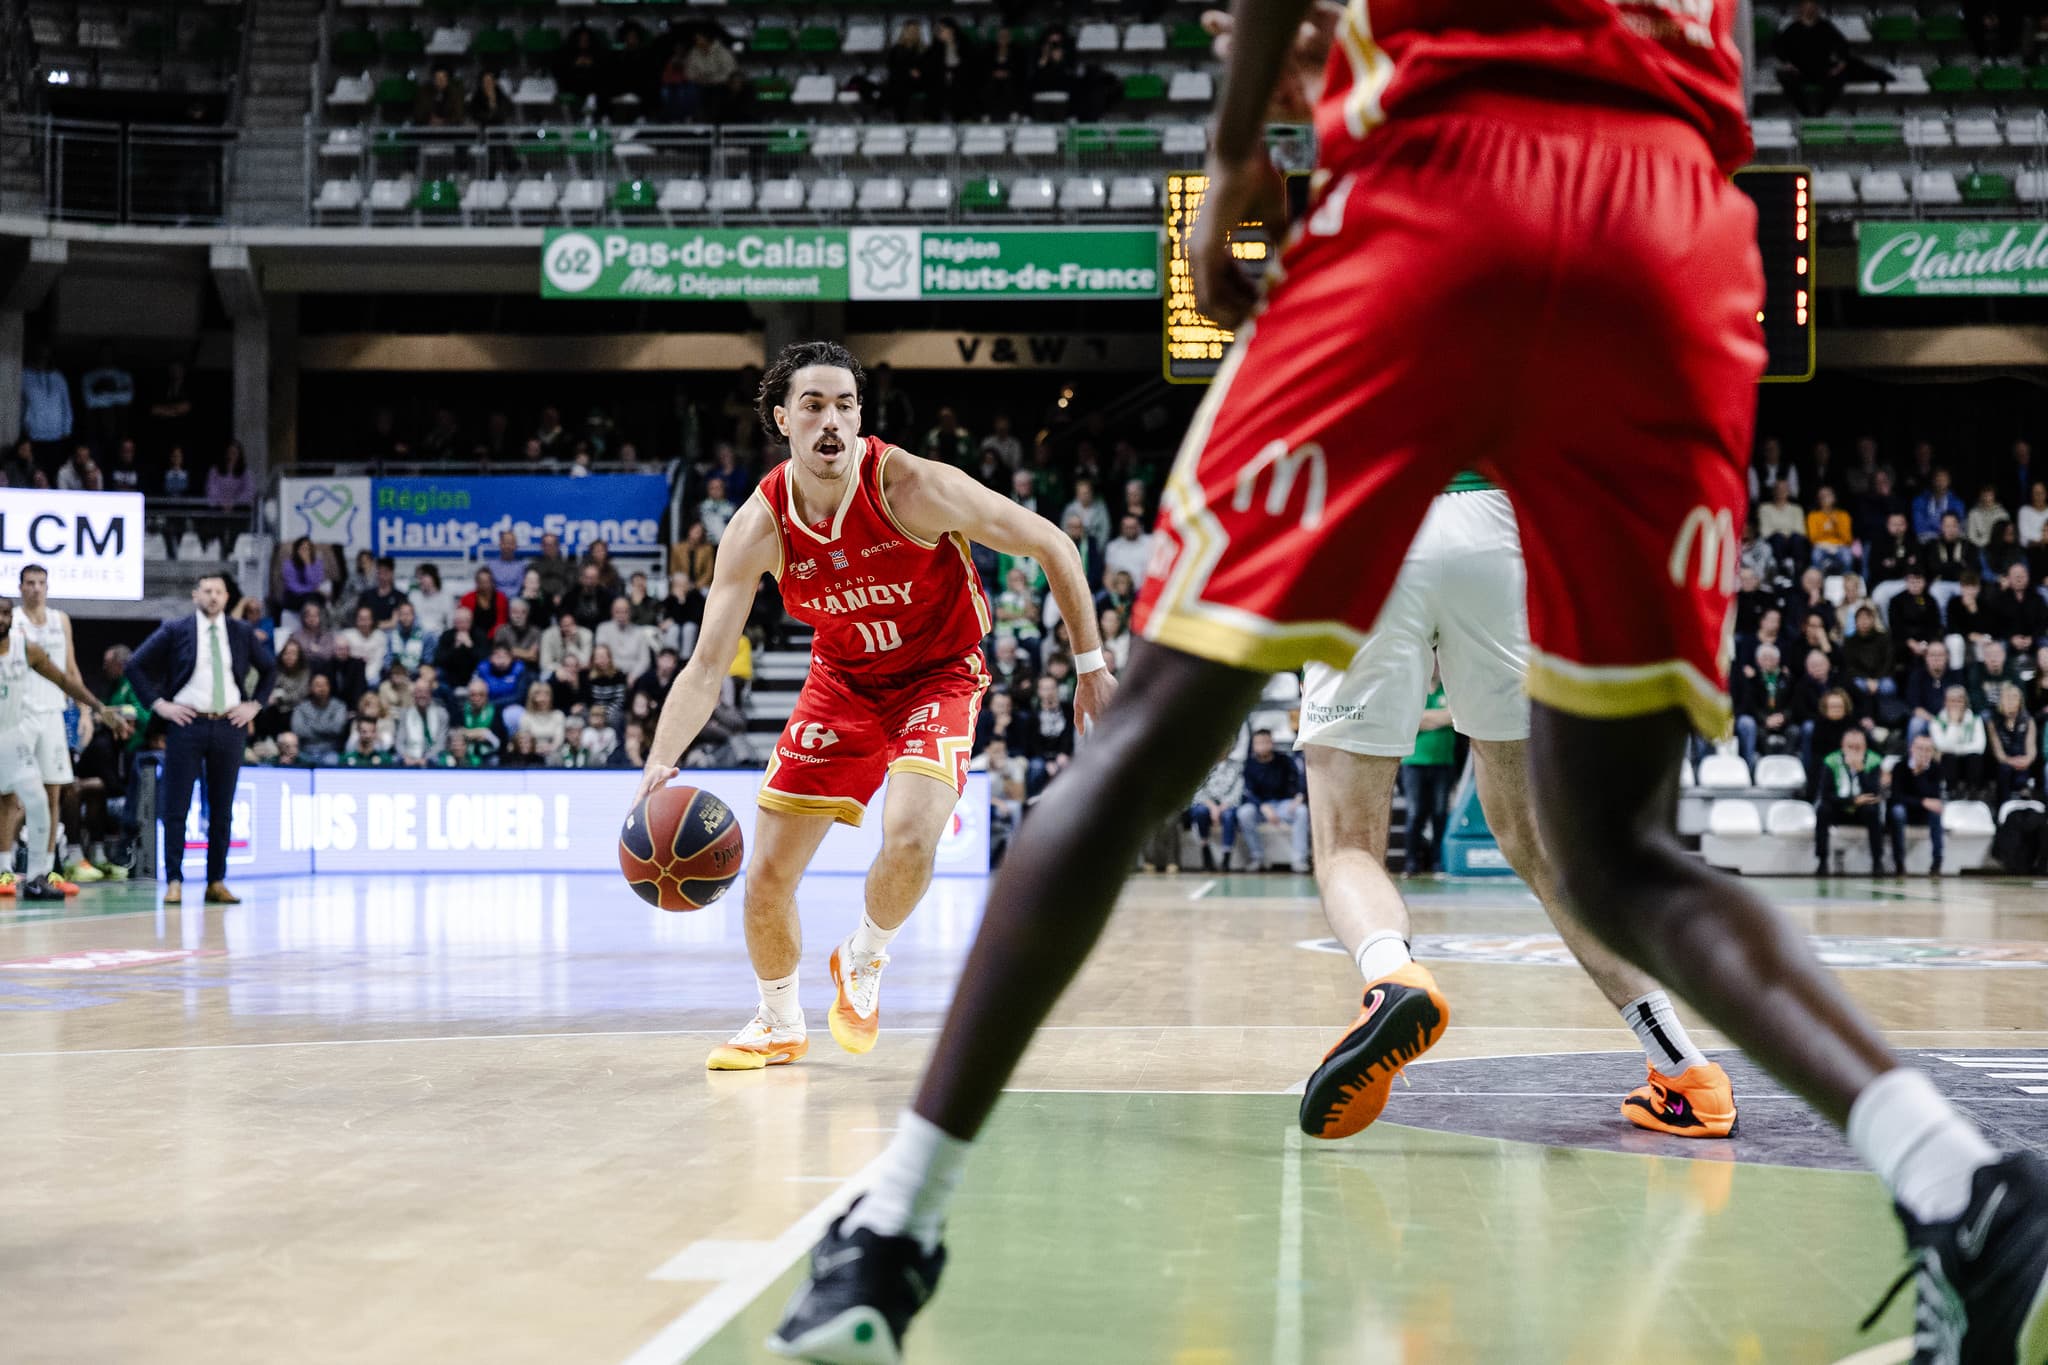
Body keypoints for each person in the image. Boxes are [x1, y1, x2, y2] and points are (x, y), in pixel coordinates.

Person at [769, 5, 2048, 1360]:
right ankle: (1954, 1178)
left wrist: (1247, 140)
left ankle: (889, 1231)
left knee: (1146, 746)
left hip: (1440, 198)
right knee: (1616, 851)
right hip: (1671, 224)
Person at [633, 340, 1111, 1074]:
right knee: (765, 876)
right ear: (782, 418)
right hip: (844, 684)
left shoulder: (909, 486)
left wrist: (1090, 666)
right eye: (815, 405)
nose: (833, 419)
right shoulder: (758, 528)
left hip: (939, 675)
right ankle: (778, 1019)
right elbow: (703, 666)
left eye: (847, 405)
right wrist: (662, 759)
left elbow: (1050, 543)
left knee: (913, 833)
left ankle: (863, 955)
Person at [123, 574, 273, 905]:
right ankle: (174, 879)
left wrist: (254, 705)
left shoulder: (241, 632)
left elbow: (270, 669)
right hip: (187, 723)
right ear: (195, 595)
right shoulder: (176, 630)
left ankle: (216, 880)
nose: (213, 597)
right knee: (176, 805)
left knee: (222, 808)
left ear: (226, 596)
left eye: (219, 591)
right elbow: (135, 666)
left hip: (228, 725)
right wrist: (160, 706)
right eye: (207, 591)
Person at [0, 596, 131, 901]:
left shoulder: (25, 648)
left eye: (5, 613)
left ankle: (35, 878)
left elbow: (62, 679)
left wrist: (97, 707)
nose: (1, 619)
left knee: (38, 801)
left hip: (12, 738)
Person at [12, 566, 92, 891]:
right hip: (18, 717)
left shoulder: (61, 621)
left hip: (53, 716)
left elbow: (70, 669)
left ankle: (43, 872)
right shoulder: (11, 621)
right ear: (20, 588)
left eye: (41, 583)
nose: (35, 589)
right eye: (30, 583)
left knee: (52, 795)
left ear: (48, 587)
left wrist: (84, 711)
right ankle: (6, 865)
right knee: (14, 798)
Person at [1773, 0, 1890, 114]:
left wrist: (1841, 64)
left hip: (1823, 70)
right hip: (1799, 71)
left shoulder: (1825, 26)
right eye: (1806, 6)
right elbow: (1778, 47)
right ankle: (1806, 112)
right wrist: (1787, 63)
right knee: (1783, 76)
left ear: (1816, 9)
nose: (1809, 9)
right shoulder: (1793, 28)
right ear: (1801, 9)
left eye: (1812, 7)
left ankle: (1821, 112)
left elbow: (1842, 44)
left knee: (1843, 74)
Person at [1234, 727, 1309, 872]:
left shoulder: (1284, 760)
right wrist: (1263, 806)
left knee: (1302, 811)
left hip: (1283, 805)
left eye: (1265, 742)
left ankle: (1299, 860)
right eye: (1258, 743)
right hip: (1260, 808)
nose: (1261, 746)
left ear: (1271, 743)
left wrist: (1299, 796)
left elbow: (1298, 780)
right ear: (1253, 745)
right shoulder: (1249, 764)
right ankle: (1258, 857)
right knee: (1244, 813)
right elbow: (1248, 792)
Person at [1817, 726, 1889, 875]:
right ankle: (1822, 861)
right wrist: (1851, 801)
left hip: (1862, 810)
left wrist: (1861, 770)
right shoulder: (1831, 760)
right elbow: (1825, 794)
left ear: (1865, 747)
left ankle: (1877, 861)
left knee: (1872, 811)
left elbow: (1873, 792)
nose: (1855, 750)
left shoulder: (1874, 760)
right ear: (1843, 747)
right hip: (1840, 807)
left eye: (1859, 747)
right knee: (1823, 809)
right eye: (1851, 746)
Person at [1890, 733, 1947, 875]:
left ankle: (1937, 861)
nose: (1923, 753)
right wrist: (1922, 801)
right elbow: (1896, 797)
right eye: (1920, 748)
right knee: (1897, 811)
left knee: (1936, 812)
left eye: (1928, 750)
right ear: (1912, 749)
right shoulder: (1900, 766)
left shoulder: (1935, 768)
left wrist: (1920, 774)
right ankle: (1899, 862)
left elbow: (1934, 798)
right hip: (1904, 811)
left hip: (1923, 812)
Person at [1988, 682, 2040, 801]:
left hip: (2022, 760)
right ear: (2001, 701)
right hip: (2002, 761)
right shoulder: (1994, 721)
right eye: (2007, 698)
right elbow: (1997, 750)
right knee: (2004, 769)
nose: (2011, 701)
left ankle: (2024, 798)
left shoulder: (2028, 720)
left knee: (2023, 763)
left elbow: (2031, 747)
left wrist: (2027, 759)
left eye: (2014, 697)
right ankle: (2002, 806)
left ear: (2020, 701)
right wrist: (2010, 761)